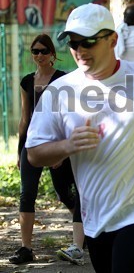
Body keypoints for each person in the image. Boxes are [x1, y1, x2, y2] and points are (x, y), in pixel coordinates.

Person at [25, 3, 134, 273]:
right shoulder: (60, 91)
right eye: (74, 44)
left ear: (113, 40)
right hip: (95, 217)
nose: (80, 51)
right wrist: (67, 145)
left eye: (89, 42)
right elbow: (34, 154)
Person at [9, 34, 85, 265]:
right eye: (35, 51)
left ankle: (83, 234)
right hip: (33, 143)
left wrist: (61, 150)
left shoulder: (63, 80)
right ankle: (26, 249)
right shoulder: (26, 82)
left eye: (43, 51)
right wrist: (20, 150)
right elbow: (25, 119)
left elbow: (69, 116)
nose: (39, 55)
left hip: (57, 142)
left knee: (64, 192)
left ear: (52, 54)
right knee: (26, 193)